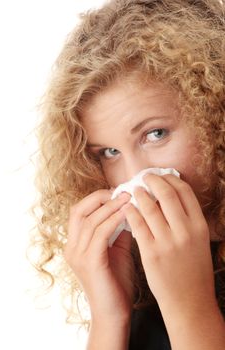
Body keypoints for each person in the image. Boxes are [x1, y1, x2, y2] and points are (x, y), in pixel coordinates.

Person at [29, 0, 225, 349]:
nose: (135, 176)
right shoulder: (142, 270)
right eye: (110, 152)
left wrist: (189, 309)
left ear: (216, 114)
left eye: (155, 134)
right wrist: (109, 316)